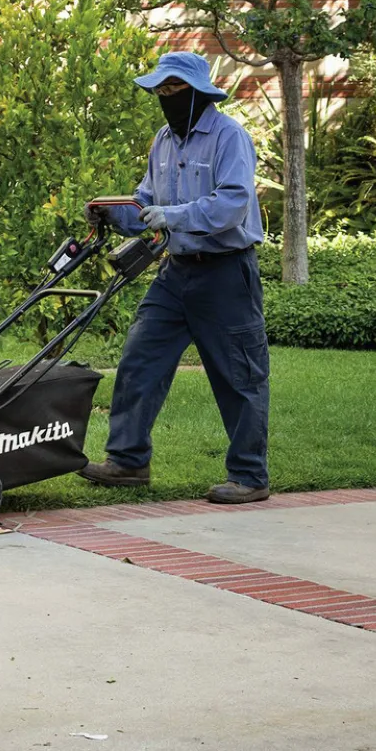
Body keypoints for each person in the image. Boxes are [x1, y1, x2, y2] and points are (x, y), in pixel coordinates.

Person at [80, 51, 270, 504]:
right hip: (175, 272)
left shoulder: (229, 137)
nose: (165, 97)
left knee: (239, 376)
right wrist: (114, 213)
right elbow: (147, 204)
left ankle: (249, 476)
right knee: (139, 359)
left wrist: (174, 215)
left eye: (173, 89)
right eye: (160, 90)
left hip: (226, 273)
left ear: (197, 92)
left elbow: (232, 205)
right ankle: (128, 461)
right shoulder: (163, 141)